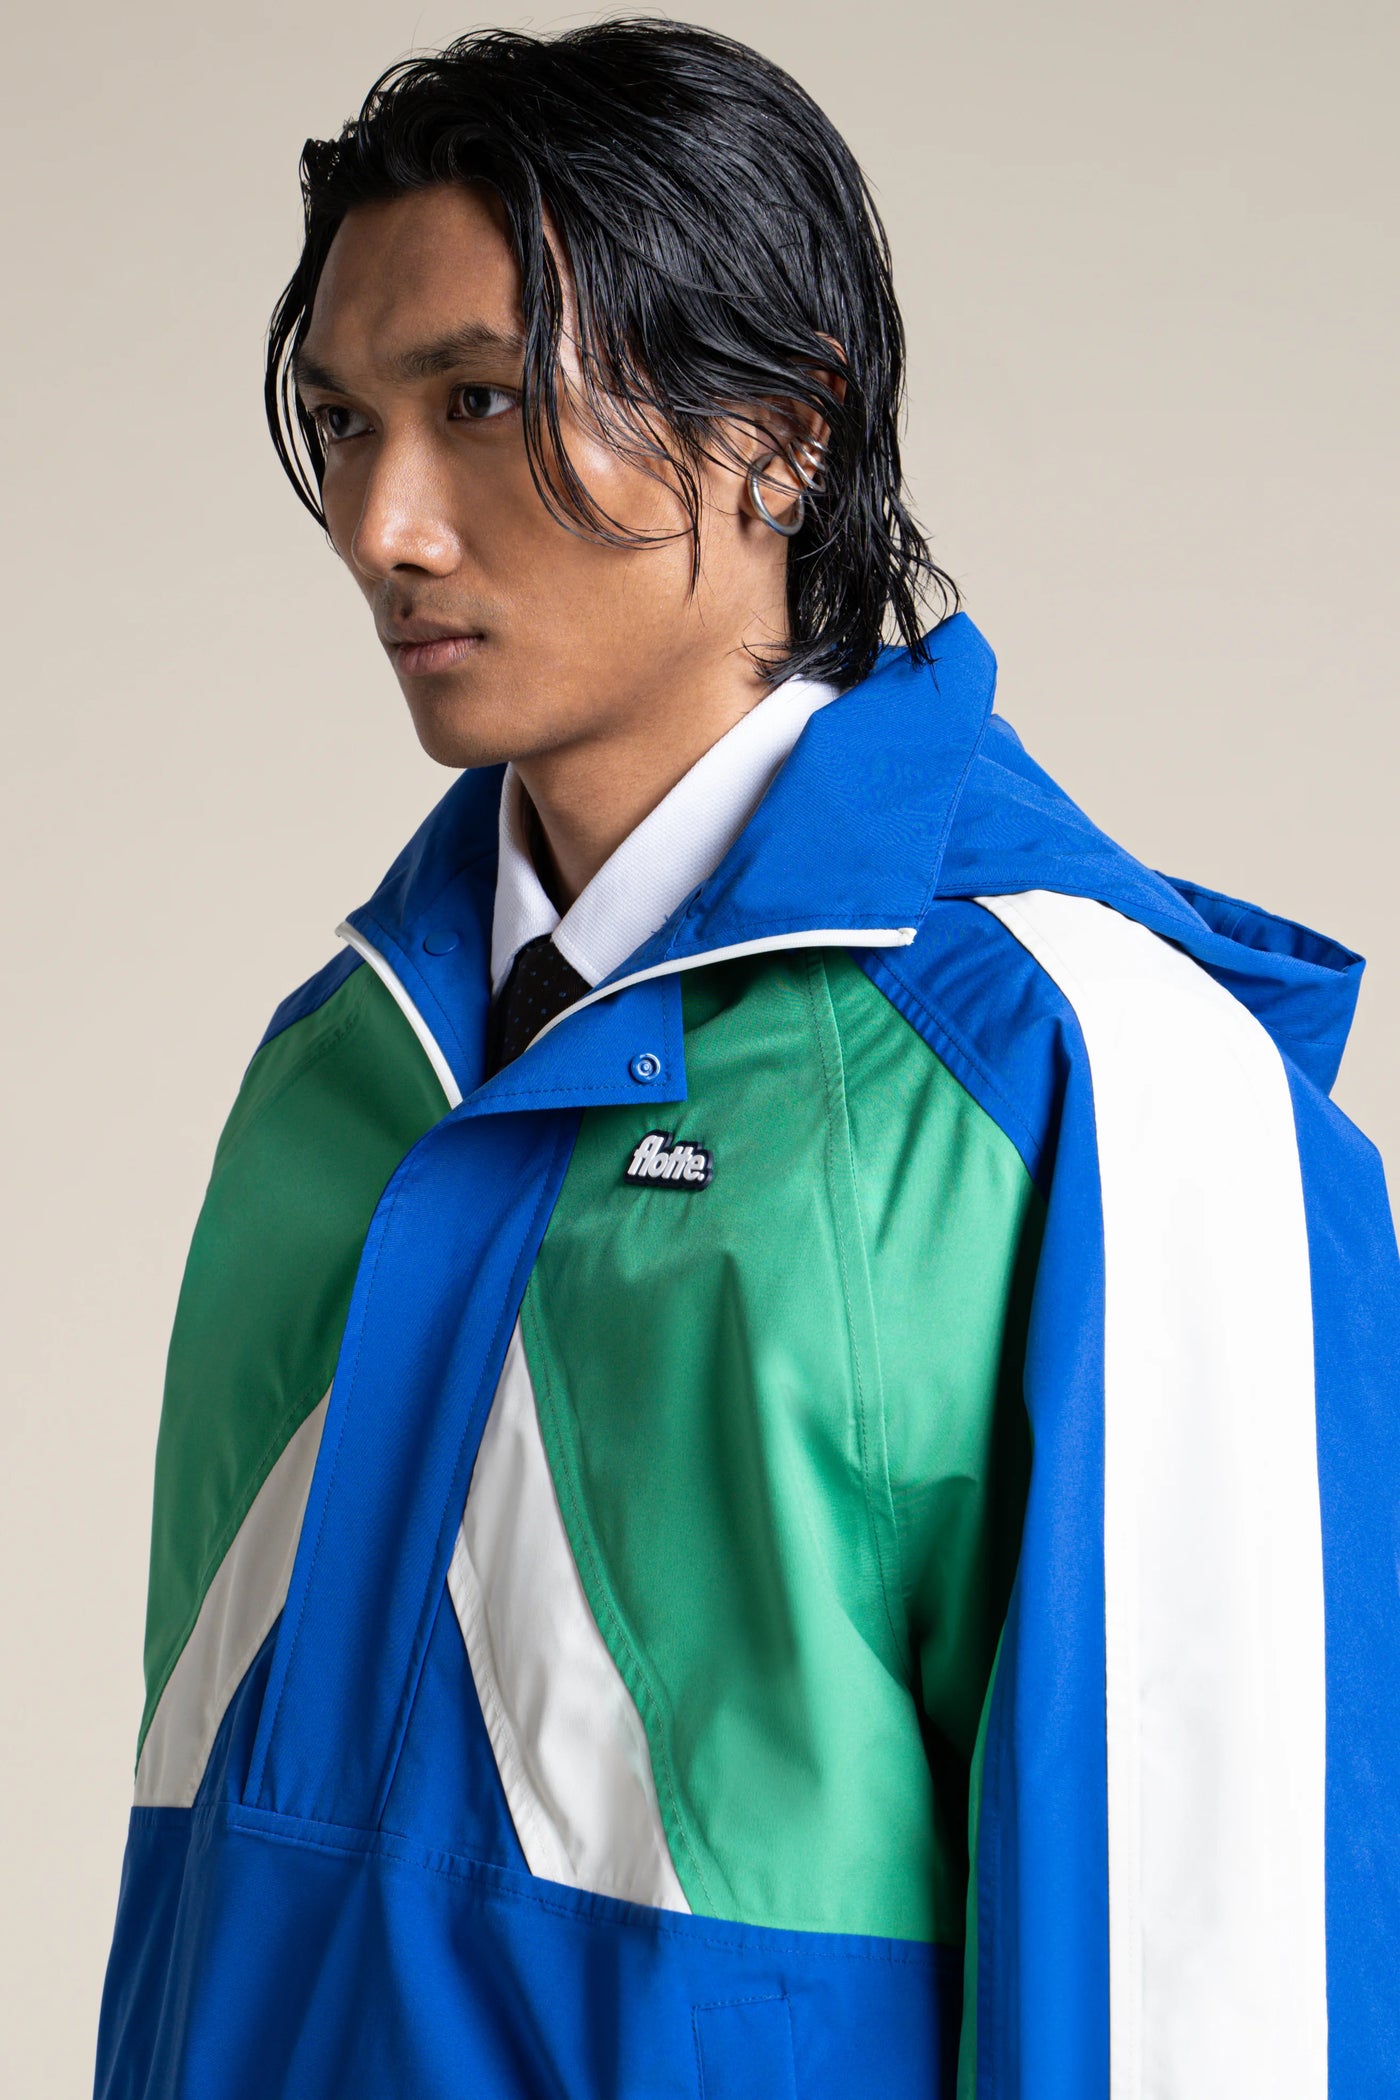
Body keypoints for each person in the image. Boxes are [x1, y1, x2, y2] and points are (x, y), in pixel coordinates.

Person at [94, 19, 1400, 2099]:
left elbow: (1205, 2004)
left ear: (781, 437)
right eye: (343, 423)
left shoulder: (1097, 1095)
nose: (384, 526)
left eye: (481, 403)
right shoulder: (338, 1068)